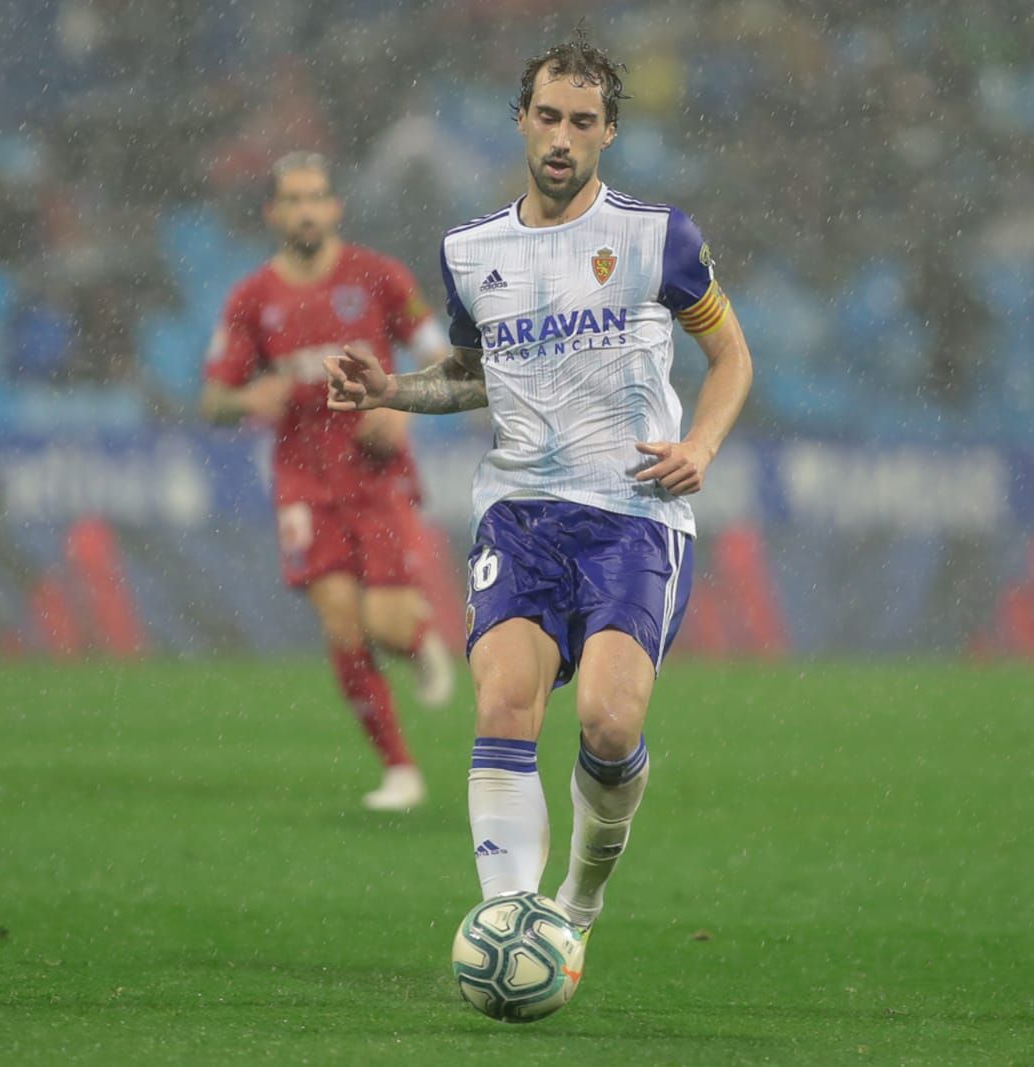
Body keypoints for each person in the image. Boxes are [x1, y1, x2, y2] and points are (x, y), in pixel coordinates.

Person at [324, 34, 754, 967]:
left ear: (608, 134)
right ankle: (509, 925)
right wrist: (390, 389)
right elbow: (477, 373)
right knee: (506, 699)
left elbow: (732, 355)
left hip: (634, 513)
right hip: (519, 511)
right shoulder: (472, 252)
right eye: (548, 116)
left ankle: (578, 900)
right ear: (523, 120)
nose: (562, 136)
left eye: (583, 122)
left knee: (608, 717)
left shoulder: (658, 238)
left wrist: (702, 445)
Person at [203, 151, 456, 812]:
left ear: (335, 206)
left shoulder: (380, 278)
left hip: (377, 478)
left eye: (317, 196)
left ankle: (418, 639)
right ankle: (400, 768)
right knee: (342, 625)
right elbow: (212, 399)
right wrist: (248, 398)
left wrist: (400, 408)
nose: (307, 209)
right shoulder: (252, 299)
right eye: (294, 199)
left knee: (386, 620)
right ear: (274, 213)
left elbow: (441, 359)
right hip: (304, 484)